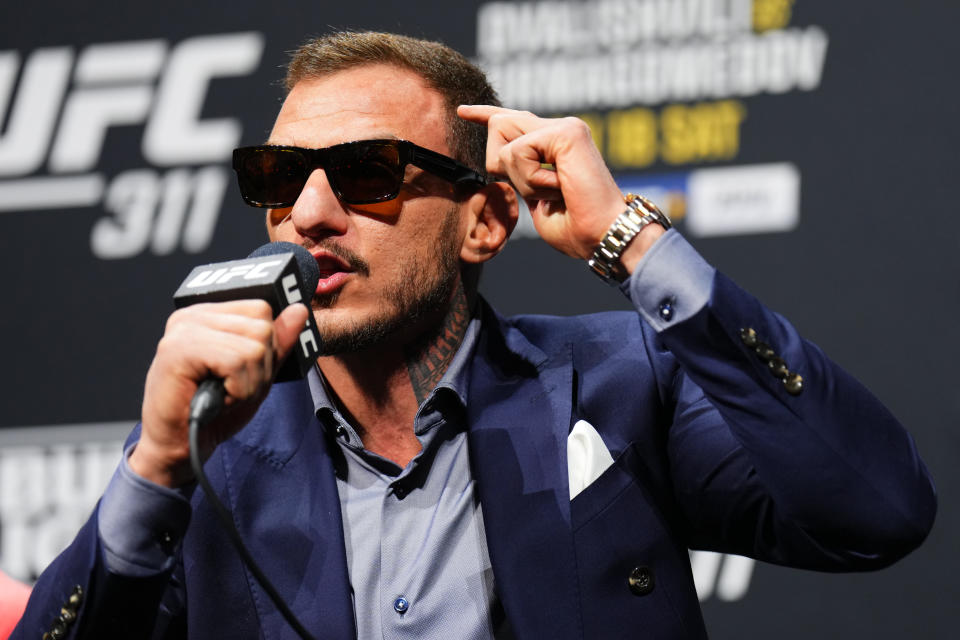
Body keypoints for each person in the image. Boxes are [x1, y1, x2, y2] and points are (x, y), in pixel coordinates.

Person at [14, 31, 935, 639]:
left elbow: (876, 512)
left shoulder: (623, 382)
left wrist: (634, 243)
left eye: (368, 172)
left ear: (485, 221)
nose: (312, 213)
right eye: (279, 176)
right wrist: (159, 469)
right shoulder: (213, 445)